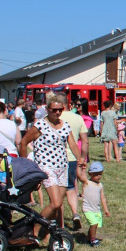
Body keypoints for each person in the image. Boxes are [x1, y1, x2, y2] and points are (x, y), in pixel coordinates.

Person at [19, 93, 83, 236]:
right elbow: (23, 142)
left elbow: (71, 143)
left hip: (62, 167)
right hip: (46, 167)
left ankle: (48, 234)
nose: (57, 112)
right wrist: (25, 164)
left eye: (60, 109)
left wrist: (80, 158)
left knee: (58, 205)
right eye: (54, 110)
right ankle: (35, 229)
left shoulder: (65, 125)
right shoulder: (40, 125)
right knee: (54, 203)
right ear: (47, 109)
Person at [61, 103, 90, 231]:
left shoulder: (51, 117)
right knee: (71, 187)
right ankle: (75, 214)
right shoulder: (77, 118)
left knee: (57, 191)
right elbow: (85, 140)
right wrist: (82, 157)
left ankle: (60, 222)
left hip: (57, 159)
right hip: (73, 157)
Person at [81, 161, 111, 247]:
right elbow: (80, 176)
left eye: (100, 174)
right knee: (94, 224)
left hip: (96, 209)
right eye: (96, 174)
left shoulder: (100, 185)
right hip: (87, 208)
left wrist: (106, 210)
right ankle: (93, 240)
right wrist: (82, 169)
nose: (98, 177)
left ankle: (88, 238)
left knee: (94, 225)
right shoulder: (87, 182)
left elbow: (102, 198)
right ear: (90, 174)